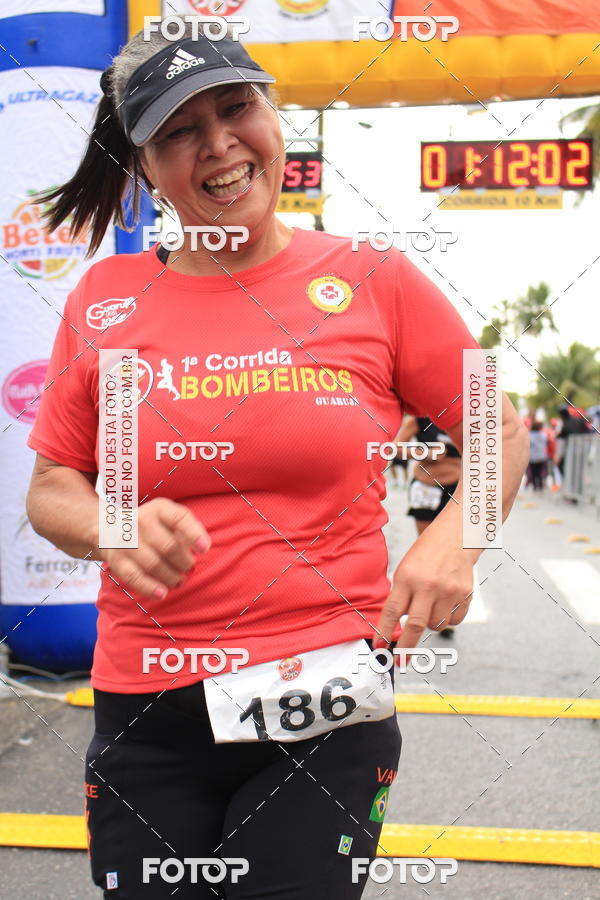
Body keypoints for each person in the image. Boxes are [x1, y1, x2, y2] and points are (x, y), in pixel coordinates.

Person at [24, 17, 529, 899]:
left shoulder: (375, 278)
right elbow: (53, 484)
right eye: (180, 130)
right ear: (143, 164)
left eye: (236, 107)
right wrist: (113, 525)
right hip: (147, 707)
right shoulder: (106, 300)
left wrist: (459, 539)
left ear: (272, 113)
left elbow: (501, 427)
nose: (219, 145)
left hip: (324, 694)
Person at [396, 415, 462, 636]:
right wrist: (425, 452)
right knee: (428, 552)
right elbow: (394, 448)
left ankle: (443, 611)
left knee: (451, 553)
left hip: (456, 489)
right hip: (426, 488)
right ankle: (423, 609)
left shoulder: (462, 415)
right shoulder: (419, 419)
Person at [528, 420, 548, 491]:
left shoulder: (529, 434)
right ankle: (540, 485)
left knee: (533, 471)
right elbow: (546, 442)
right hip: (541, 455)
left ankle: (535, 486)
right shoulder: (543, 434)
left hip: (533, 456)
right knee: (540, 471)